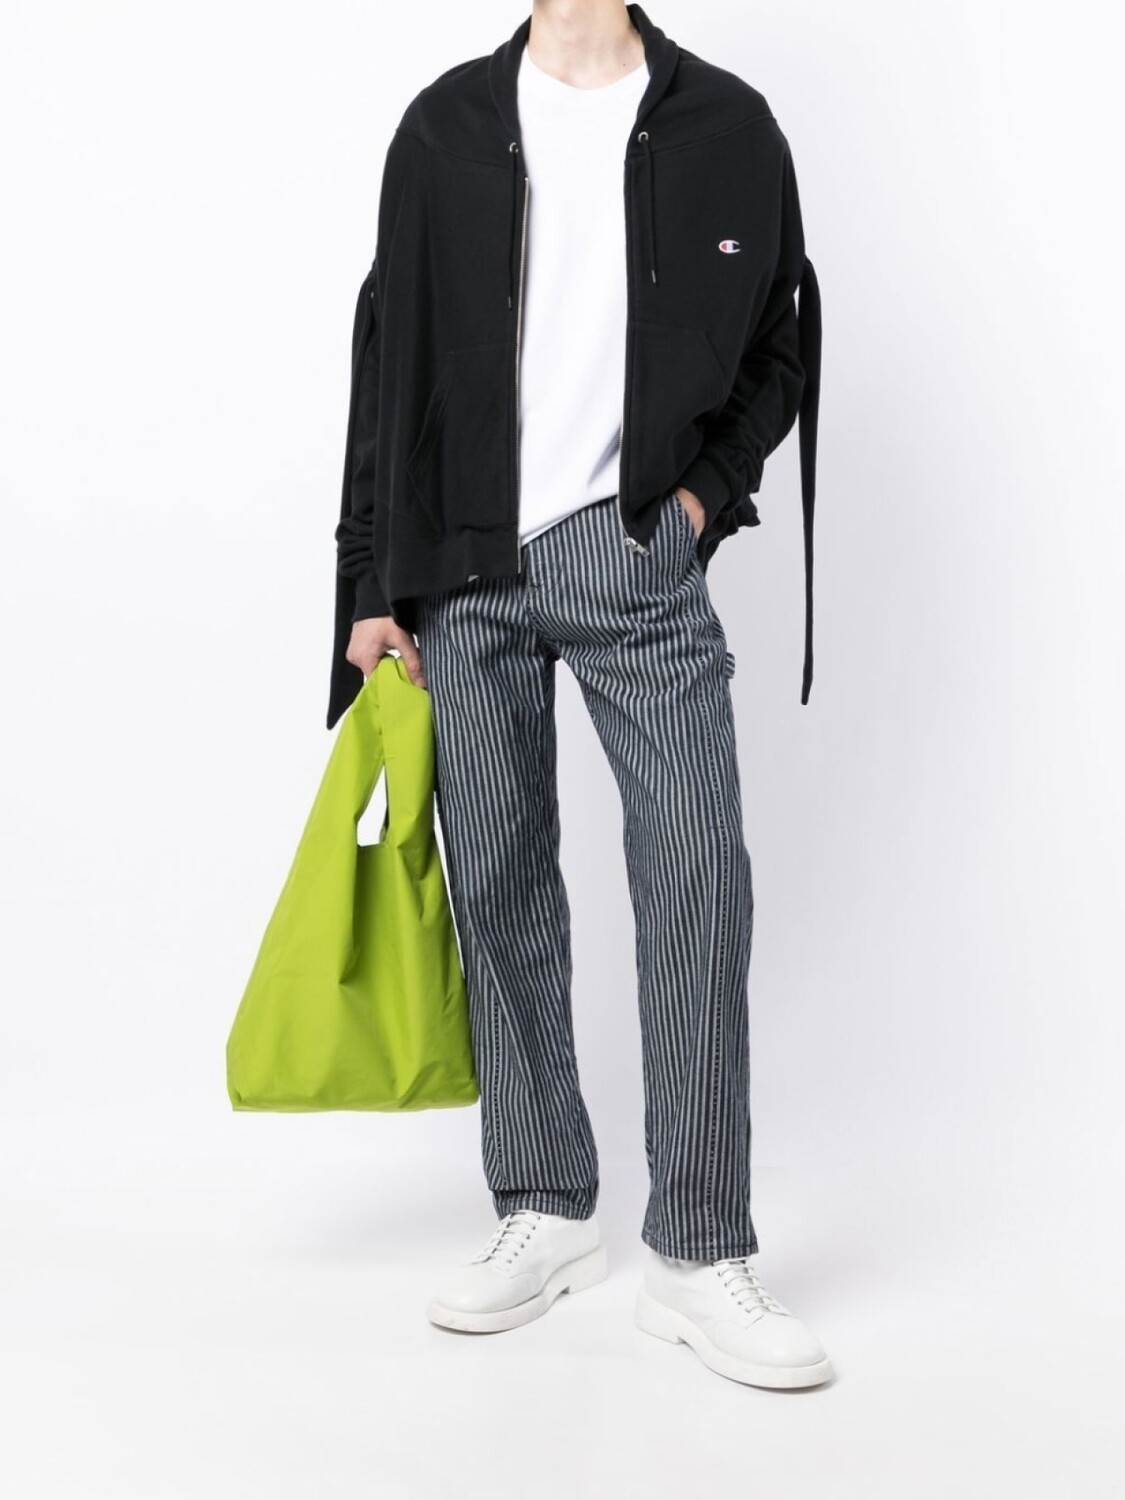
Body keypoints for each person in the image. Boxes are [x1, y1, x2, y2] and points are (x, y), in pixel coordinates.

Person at [329, 0, 828, 1390]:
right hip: (460, 566)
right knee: (495, 882)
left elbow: (779, 342)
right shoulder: (444, 125)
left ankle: (699, 1250)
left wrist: (696, 504)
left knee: (696, 878)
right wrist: (367, 583)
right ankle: (544, 1205)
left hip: (635, 557)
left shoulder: (727, 124)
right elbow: (386, 356)